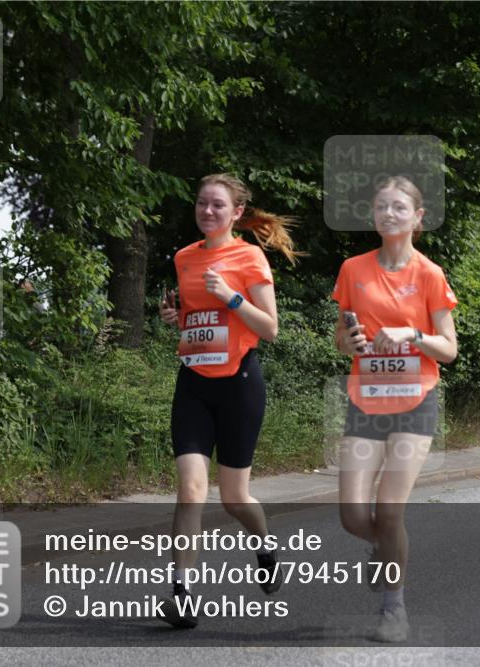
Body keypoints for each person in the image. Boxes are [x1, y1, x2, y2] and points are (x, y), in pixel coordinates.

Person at [156, 173, 299, 628]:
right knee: (190, 491)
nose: (207, 211)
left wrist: (232, 297)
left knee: (235, 498)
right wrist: (176, 316)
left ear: (236, 213)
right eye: (202, 203)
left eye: (217, 205)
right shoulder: (184, 257)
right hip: (193, 384)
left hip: (239, 385)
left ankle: (264, 546)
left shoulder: (250, 256)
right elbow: (195, 321)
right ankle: (182, 594)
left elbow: (270, 328)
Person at [332, 176, 458, 642]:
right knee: (352, 515)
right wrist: (349, 341)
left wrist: (413, 335)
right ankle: (386, 548)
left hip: (415, 401)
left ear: (417, 217)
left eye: (399, 207)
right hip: (365, 400)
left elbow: (449, 349)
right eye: (381, 206)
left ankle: (394, 609)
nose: (389, 213)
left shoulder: (429, 274)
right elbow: (341, 337)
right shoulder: (353, 269)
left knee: (389, 510)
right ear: (373, 215)